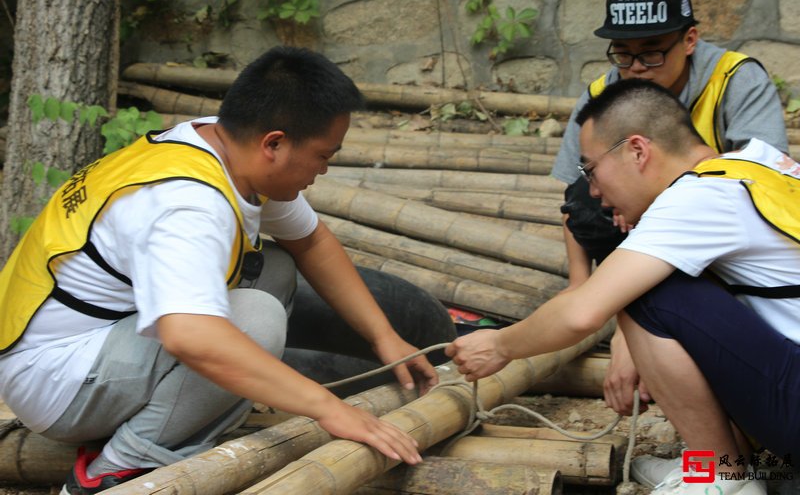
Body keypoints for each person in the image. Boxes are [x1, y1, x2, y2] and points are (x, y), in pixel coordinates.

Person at [0, 46, 438, 495]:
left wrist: (385, 338)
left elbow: (311, 241)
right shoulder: (188, 204)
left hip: (85, 349)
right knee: (255, 320)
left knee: (275, 270)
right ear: (274, 143)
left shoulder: (210, 145)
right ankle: (117, 468)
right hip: (55, 383)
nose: (323, 170)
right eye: (324, 155)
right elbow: (190, 335)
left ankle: (162, 420)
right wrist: (328, 407)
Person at [447, 79, 800, 495]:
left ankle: (721, 476)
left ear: (637, 150)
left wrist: (499, 346)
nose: (594, 191)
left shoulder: (698, 197)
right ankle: (710, 466)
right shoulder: (760, 164)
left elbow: (583, 312)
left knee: (644, 292)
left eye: (591, 170)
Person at [550, 0, 788, 486]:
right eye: (624, 54)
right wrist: (581, 286)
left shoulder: (732, 86)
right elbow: (577, 204)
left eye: (652, 54)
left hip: (709, 247)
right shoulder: (605, 96)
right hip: (690, 240)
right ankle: (714, 462)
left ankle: (721, 474)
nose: (636, 67)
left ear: (690, 40)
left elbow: (731, 205)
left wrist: (620, 315)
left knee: (655, 297)